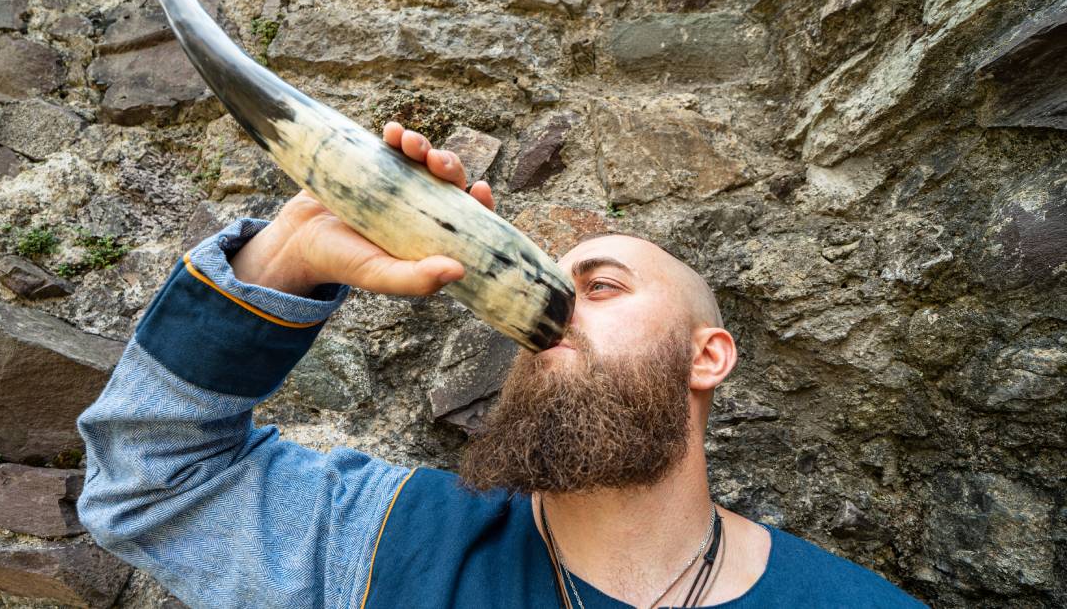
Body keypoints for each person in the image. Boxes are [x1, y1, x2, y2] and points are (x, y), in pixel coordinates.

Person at [76, 122, 925, 608]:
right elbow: (153, 487)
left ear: (708, 355)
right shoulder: (383, 542)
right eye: (544, 292)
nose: (550, 316)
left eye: (601, 286)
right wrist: (286, 255)